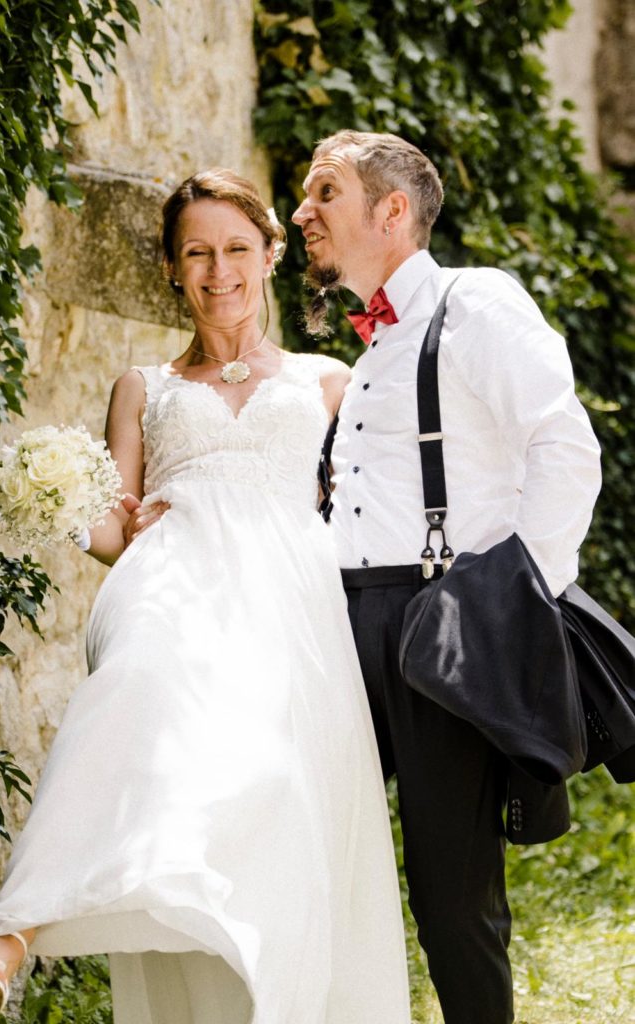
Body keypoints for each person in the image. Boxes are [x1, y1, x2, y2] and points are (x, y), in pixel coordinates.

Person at [0, 168, 412, 1024]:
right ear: (170, 266)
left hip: (288, 600)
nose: (218, 270)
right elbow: (112, 529)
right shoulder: (143, 385)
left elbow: (364, 514)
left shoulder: (329, 382)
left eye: (236, 248)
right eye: (196, 253)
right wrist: (59, 496)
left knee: (277, 792)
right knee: (130, 690)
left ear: (271, 253)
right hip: (170, 573)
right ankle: (7, 938)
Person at [291, 130, 602, 1024]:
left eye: (325, 192)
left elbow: (565, 449)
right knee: (314, 853)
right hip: (342, 622)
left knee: (451, 890)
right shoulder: (369, 350)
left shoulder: (477, 303)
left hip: (441, 618)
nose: (302, 212)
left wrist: (511, 604)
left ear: (392, 211)